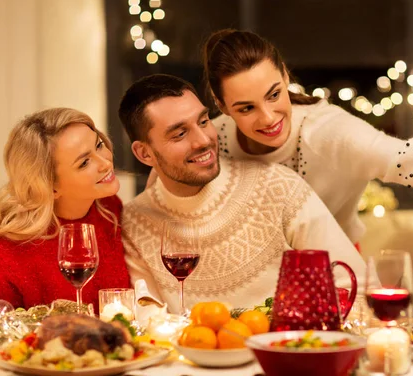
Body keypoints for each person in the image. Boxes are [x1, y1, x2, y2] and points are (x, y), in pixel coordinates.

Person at [200, 29, 413, 244]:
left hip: (336, 279)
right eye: (246, 108)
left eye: (274, 95)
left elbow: (397, 157)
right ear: (220, 103)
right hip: (247, 291)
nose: (268, 118)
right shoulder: (214, 139)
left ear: (284, 74)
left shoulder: (328, 131)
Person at [118, 74, 368, 312]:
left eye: (203, 121)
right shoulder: (135, 221)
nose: (203, 140)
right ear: (144, 153)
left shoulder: (276, 185)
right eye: (180, 134)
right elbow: (150, 321)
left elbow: (355, 285)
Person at [0, 108, 130, 311]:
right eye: (85, 162)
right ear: (50, 186)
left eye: (99, 145)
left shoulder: (109, 208)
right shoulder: (5, 259)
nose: (105, 163)